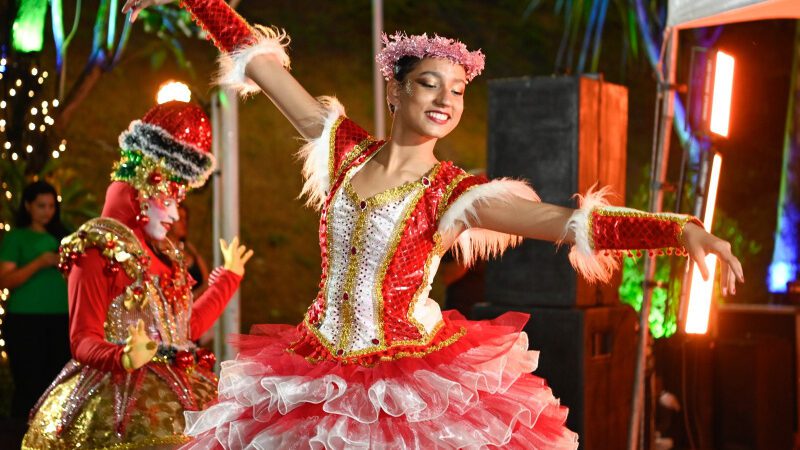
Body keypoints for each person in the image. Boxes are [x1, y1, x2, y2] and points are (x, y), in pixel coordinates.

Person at [123, 3, 745, 448]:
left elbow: (563, 221)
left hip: (404, 388)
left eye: (457, 90)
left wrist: (677, 228)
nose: (445, 99)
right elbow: (261, 66)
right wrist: (196, 2)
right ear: (396, 92)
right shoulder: (343, 149)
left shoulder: (454, 194)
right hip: (311, 374)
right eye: (429, 83)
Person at [22, 101, 254, 449]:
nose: (176, 214)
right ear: (142, 192)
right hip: (115, 405)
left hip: (181, 392)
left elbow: (185, 330)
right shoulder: (97, 247)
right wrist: (124, 357)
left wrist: (227, 279)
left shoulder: (167, 254)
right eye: (170, 199)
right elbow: (82, 338)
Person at [0, 181, 71, 422]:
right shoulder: (16, 237)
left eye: (51, 206)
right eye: (41, 205)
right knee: (28, 386)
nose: (47, 211)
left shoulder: (65, 236)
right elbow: (5, 280)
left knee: (57, 387)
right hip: (25, 320)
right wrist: (40, 262)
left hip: (61, 319)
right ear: (28, 206)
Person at [166, 204, 210, 296]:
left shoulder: (190, 250)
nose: (184, 222)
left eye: (186, 219)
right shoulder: (163, 252)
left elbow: (207, 280)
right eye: (180, 218)